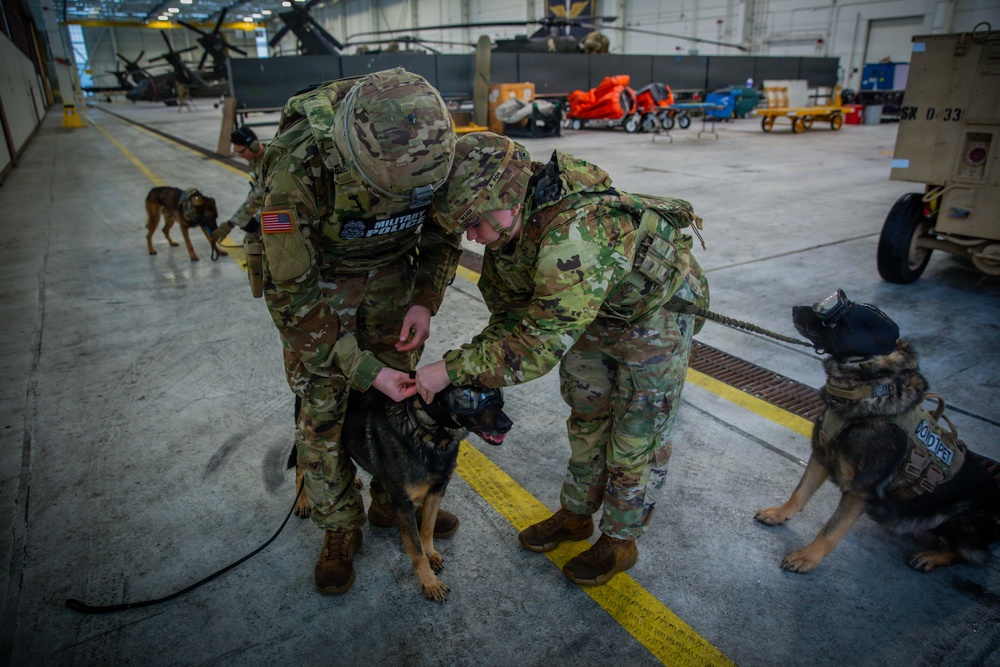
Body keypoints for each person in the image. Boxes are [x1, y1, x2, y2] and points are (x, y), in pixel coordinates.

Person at [416, 132, 709, 586]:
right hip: (587, 311)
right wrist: (461, 361)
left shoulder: (575, 234)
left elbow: (535, 348)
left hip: (653, 317)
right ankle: (576, 515)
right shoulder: (509, 234)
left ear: (506, 196)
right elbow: (512, 319)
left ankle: (619, 540)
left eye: (473, 220)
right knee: (587, 413)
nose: (471, 235)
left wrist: (449, 369)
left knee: (635, 434)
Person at [256, 68, 462, 594]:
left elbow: (443, 231)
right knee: (324, 409)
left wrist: (424, 299)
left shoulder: (433, 147)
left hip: (393, 278)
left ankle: (390, 503)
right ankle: (340, 527)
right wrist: (361, 368)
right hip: (319, 290)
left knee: (399, 402)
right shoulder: (295, 167)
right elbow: (291, 296)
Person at [211, 126, 266, 245]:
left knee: (253, 241)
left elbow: (258, 197)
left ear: (254, 146)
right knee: (251, 240)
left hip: (289, 210)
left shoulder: (269, 161)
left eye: (241, 152)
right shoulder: (255, 161)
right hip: (271, 207)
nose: (240, 156)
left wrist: (231, 223)